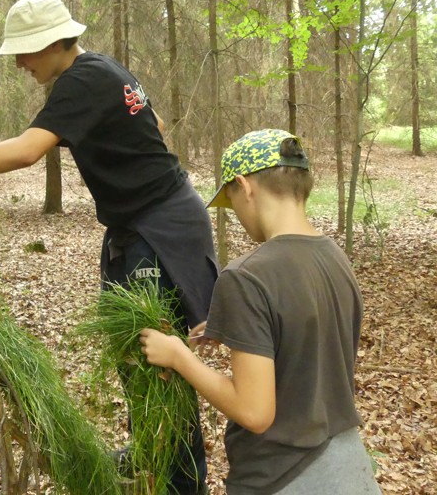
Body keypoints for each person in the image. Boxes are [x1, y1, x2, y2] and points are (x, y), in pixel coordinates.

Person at [0, 0, 218, 494]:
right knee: (135, 352)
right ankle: (152, 451)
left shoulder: (83, 81)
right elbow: (142, 134)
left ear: (51, 42)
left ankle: (180, 481)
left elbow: (25, 152)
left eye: (24, 51)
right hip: (142, 224)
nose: (20, 63)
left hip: (159, 229)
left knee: (158, 359)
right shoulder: (102, 70)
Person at [139, 129, 382, 494]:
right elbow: (306, 331)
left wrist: (178, 357)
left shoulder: (246, 276)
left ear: (245, 186)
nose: (235, 212)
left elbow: (255, 412)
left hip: (281, 476)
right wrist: (238, 326)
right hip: (348, 467)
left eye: (231, 200)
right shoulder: (335, 257)